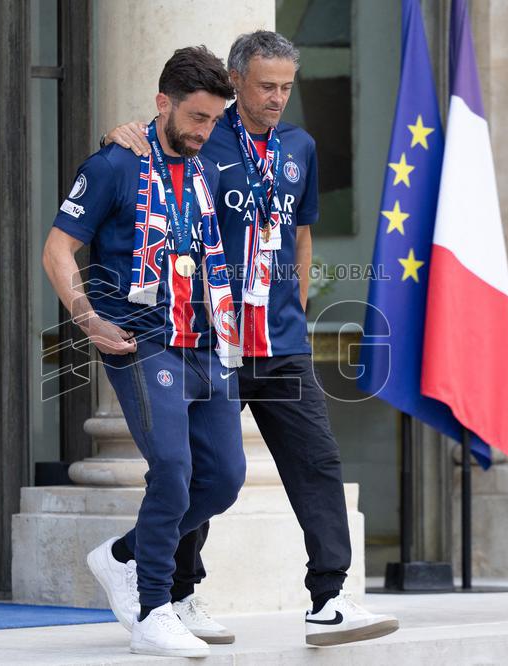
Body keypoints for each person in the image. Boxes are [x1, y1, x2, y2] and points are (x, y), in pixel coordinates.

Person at [105, 30, 399, 647]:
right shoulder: (205, 137)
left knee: (316, 459)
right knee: (203, 470)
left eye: (287, 87)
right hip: (210, 335)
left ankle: (330, 598)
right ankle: (176, 592)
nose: (277, 98)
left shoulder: (299, 146)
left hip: (281, 337)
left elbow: (299, 232)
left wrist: (297, 296)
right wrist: (123, 132)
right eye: (266, 85)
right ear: (236, 80)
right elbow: (154, 149)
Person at [43, 46, 245, 658]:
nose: (205, 132)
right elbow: (57, 250)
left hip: (207, 339)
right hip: (140, 341)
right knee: (175, 472)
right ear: (163, 103)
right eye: (197, 119)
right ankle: (154, 609)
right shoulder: (113, 164)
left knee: (226, 479)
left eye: (214, 121)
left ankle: (123, 555)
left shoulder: (208, 164)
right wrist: (88, 320)